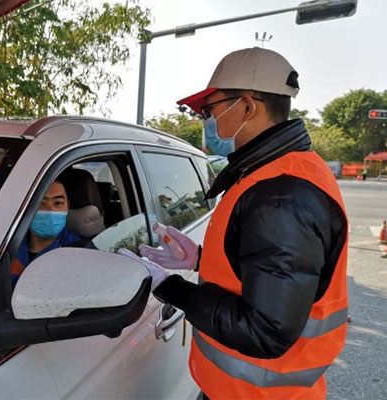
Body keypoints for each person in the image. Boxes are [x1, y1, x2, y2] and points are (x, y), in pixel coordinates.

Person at [124, 47, 349, 399]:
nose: (206, 119)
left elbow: (264, 331)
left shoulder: (282, 194)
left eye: (209, 109)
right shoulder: (272, 174)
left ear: (247, 106)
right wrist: (199, 259)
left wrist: (169, 287)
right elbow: (269, 268)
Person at [10, 178, 81, 286]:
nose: (50, 210)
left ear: (67, 206)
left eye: (58, 203)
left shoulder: (78, 252)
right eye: (40, 203)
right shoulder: (8, 243)